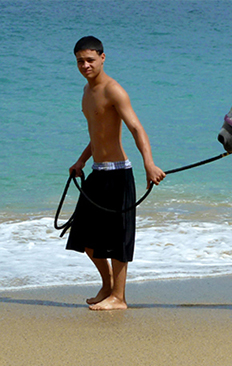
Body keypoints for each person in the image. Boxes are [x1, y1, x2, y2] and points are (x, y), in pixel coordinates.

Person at [66, 36, 165, 310]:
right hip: (98, 172)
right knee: (83, 237)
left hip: (119, 175)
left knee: (118, 239)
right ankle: (108, 286)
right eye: (80, 61)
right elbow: (97, 134)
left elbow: (135, 127)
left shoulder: (114, 91)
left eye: (90, 60)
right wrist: (81, 161)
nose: (85, 65)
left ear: (102, 58)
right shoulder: (87, 92)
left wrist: (149, 164)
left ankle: (119, 298)